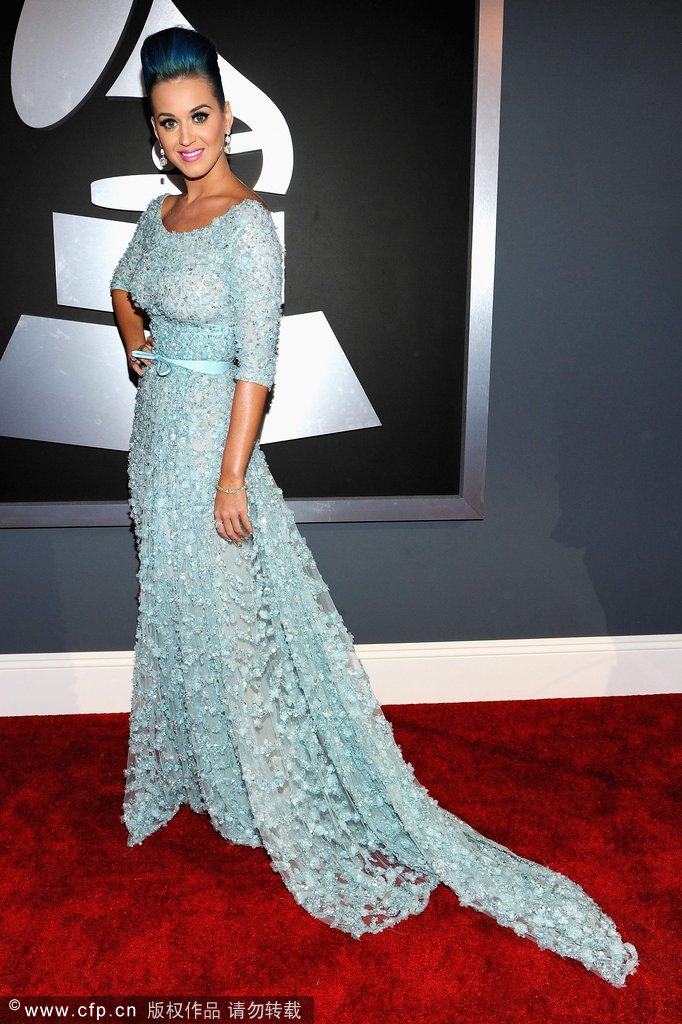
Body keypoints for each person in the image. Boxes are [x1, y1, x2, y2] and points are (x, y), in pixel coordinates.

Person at [110, 26, 638, 988]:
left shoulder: (246, 225)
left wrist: (232, 477)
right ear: (154, 135)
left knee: (237, 629)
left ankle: (272, 794)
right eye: (167, 122)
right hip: (154, 447)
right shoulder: (157, 215)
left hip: (209, 458)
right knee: (180, 617)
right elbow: (121, 287)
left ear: (228, 119)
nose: (187, 136)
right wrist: (142, 349)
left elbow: (258, 369)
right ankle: (220, 783)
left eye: (199, 117)